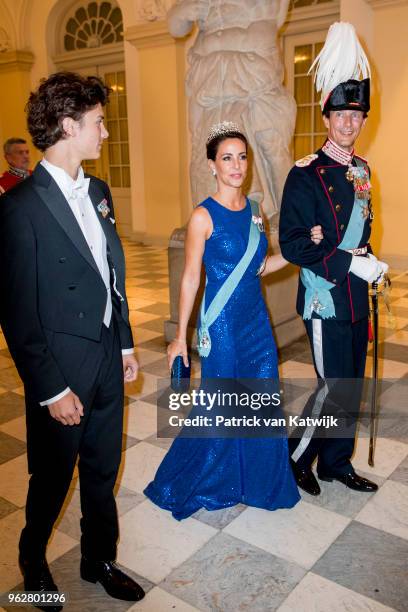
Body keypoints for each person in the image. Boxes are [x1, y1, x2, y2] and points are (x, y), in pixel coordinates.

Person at [0, 72, 145, 610]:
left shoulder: (100, 191)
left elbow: (113, 274)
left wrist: (125, 344)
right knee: (53, 477)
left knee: (104, 468)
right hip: (61, 369)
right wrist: (51, 389)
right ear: (68, 125)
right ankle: (32, 560)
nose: (105, 133)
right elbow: (16, 315)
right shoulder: (18, 208)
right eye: (99, 123)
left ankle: (97, 558)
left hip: (107, 353)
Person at [144, 121, 323, 520]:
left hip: (256, 322)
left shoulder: (257, 211)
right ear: (212, 165)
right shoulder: (202, 217)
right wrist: (180, 337)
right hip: (221, 323)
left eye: (242, 157)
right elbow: (192, 277)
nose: (237, 165)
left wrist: (301, 249)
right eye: (227, 158)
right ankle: (205, 478)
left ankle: (257, 480)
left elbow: (260, 266)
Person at [279, 22, 388, 497]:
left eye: (357, 114)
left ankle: (336, 463)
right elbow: (294, 244)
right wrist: (349, 264)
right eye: (341, 114)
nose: (349, 122)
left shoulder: (363, 170)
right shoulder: (305, 174)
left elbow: (360, 230)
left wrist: (372, 261)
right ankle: (299, 457)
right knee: (331, 385)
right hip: (325, 297)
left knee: (351, 385)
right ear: (326, 117)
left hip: (356, 295)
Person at [167, 0, 294, 230]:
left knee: (270, 146)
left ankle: (284, 213)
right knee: (205, 152)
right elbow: (176, 26)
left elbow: (269, 20)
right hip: (209, 82)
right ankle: (213, 217)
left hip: (253, 74)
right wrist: (192, 7)